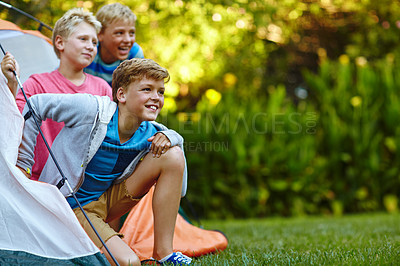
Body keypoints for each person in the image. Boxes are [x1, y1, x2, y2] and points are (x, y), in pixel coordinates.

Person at [12, 58, 192, 266]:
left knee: (173, 154)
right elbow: (34, 105)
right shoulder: (92, 109)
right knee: (129, 262)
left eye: (160, 92)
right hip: (73, 206)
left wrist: (173, 138)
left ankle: (164, 254)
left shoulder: (152, 132)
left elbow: (181, 188)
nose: (156, 98)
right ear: (121, 94)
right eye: (147, 89)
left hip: (108, 201)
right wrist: (23, 164)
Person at [15, 8, 112, 181]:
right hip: (38, 182)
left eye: (94, 42)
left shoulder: (103, 89)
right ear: (60, 43)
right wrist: (10, 83)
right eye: (83, 39)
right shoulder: (36, 84)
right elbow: (14, 124)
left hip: (84, 187)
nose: (90, 46)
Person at [84, 3, 144, 86]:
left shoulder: (134, 55)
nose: (127, 40)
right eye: (119, 33)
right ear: (100, 34)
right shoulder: (88, 52)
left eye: (132, 33)